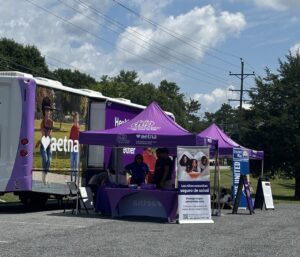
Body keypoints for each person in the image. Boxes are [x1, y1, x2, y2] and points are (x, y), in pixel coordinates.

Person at [40, 106, 53, 185]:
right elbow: (43, 133)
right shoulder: (42, 122)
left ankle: (45, 173)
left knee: (49, 161)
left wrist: (47, 134)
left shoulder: (51, 121)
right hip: (44, 143)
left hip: (49, 143)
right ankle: (44, 175)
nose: (48, 113)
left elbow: (49, 132)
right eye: (46, 111)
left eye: (49, 111)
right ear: (44, 113)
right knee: (45, 158)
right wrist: (45, 134)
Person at [69, 112, 80, 182]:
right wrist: (69, 144)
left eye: (77, 118)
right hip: (72, 148)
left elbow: (79, 138)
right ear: (74, 119)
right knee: (72, 164)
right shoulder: (72, 127)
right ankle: (71, 179)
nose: (76, 119)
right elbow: (70, 137)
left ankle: (76, 179)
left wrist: (79, 144)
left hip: (77, 149)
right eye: (75, 118)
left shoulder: (79, 128)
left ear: (78, 119)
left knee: (76, 164)